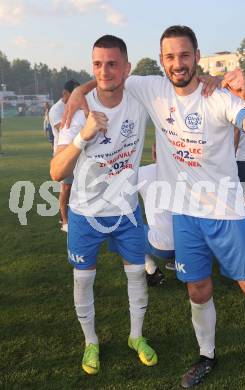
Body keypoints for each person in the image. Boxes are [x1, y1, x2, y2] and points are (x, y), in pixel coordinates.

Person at [64, 25, 245, 387]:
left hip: (228, 212)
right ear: (161, 61)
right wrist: (79, 91)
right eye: (170, 57)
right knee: (197, 291)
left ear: (196, 56)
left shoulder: (218, 96)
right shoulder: (150, 87)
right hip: (185, 214)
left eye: (184, 55)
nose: (177, 63)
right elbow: (109, 76)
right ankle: (206, 355)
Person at [50, 35, 158, 375]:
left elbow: (181, 81)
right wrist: (84, 135)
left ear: (127, 68)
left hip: (126, 211)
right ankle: (90, 342)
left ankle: (136, 336)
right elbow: (56, 172)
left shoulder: (140, 97)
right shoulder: (77, 113)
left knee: (137, 275)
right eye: (97, 64)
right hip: (84, 214)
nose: (104, 70)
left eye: (112, 64)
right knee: (83, 280)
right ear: (91, 66)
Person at [49, 79, 80, 232]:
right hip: (63, 154)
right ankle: (65, 221)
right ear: (65, 93)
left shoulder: (77, 106)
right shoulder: (56, 109)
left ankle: (77, 217)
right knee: (66, 187)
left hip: (79, 151)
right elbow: (62, 129)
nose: (77, 96)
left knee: (79, 186)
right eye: (74, 93)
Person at [138, 163, 175, 286]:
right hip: (191, 244)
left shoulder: (142, 172)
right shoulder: (188, 169)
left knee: (122, 230)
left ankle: (151, 270)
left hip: (162, 248)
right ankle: (184, 262)